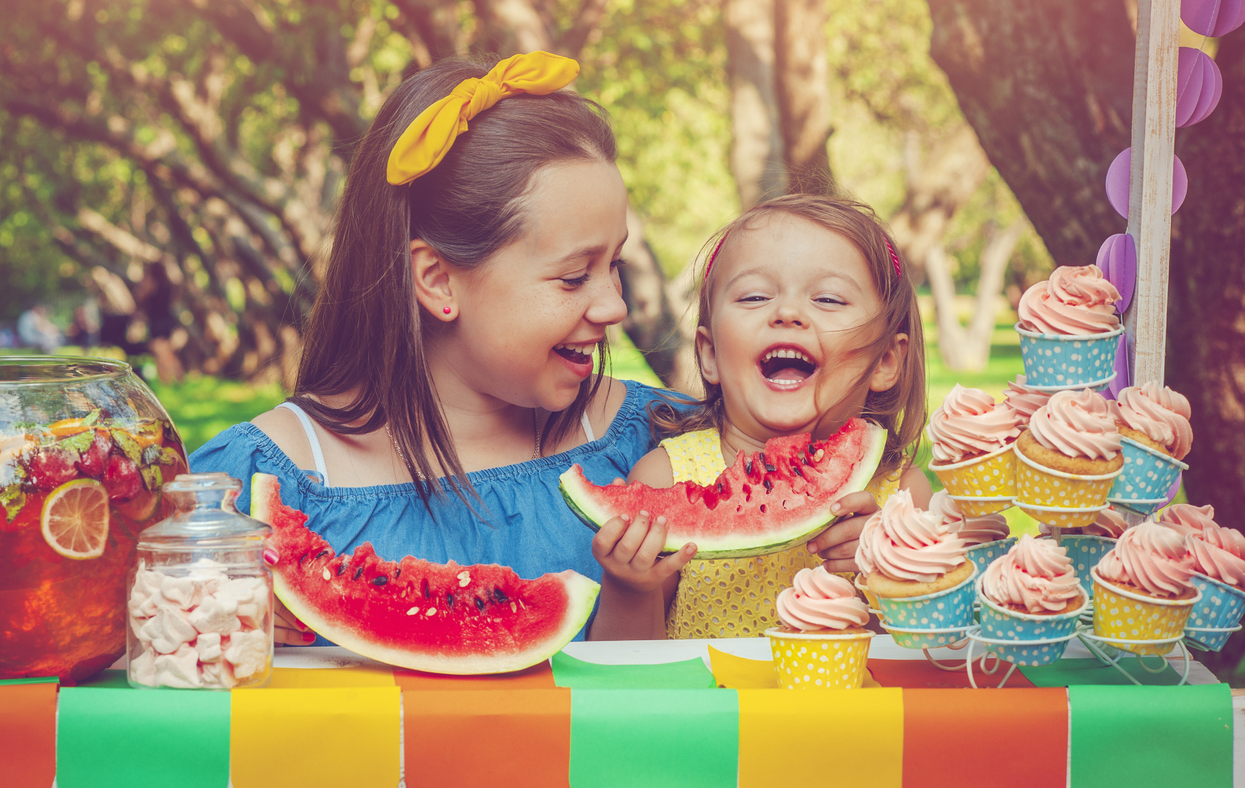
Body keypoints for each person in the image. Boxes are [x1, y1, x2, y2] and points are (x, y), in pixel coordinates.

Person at [190, 52, 670, 646]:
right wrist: (213, 623)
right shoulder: (255, 486)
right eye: (574, 277)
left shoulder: (656, 445)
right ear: (439, 280)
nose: (614, 306)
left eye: (614, 265)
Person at [588, 194, 932, 640]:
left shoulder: (901, 494)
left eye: (828, 299)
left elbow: (931, 664)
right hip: (713, 711)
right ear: (709, 355)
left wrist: (888, 574)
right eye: (754, 296)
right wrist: (629, 588)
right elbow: (630, 680)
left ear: (886, 360)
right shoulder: (665, 477)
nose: (787, 313)